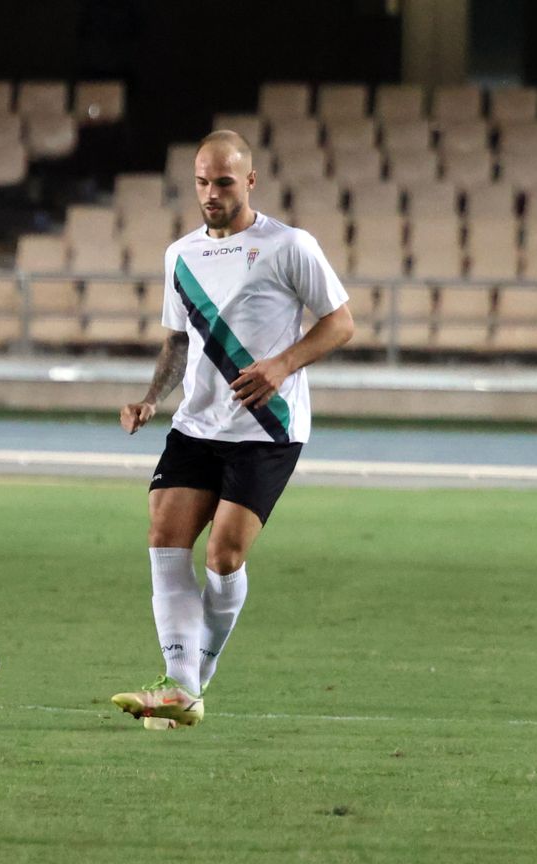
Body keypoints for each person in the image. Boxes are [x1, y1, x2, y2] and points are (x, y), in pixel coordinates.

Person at [111, 130, 354, 730]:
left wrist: (281, 365)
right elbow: (176, 340)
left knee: (223, 556)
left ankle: (196, 679)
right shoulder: (180, 255)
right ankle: (179, 686)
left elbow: (340, 322)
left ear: (249, 182)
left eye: (223, 182)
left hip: (266, 428)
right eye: (202, 181)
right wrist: (150, 399)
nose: (211, 193)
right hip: (196, 425)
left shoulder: (288, 246)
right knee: (164, 538)